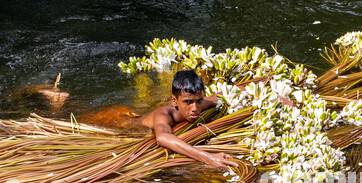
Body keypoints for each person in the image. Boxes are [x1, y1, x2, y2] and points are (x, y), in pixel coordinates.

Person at [75, 69, 239, 172]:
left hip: (133, 112)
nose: (195, 108)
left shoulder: (199, 103)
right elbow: (162, 137)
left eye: (198, 100)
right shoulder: (164, 115)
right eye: (188, 102)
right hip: (118, 120)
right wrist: (209, 157)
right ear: (175, 101)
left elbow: (224, 94)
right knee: (79, 116)